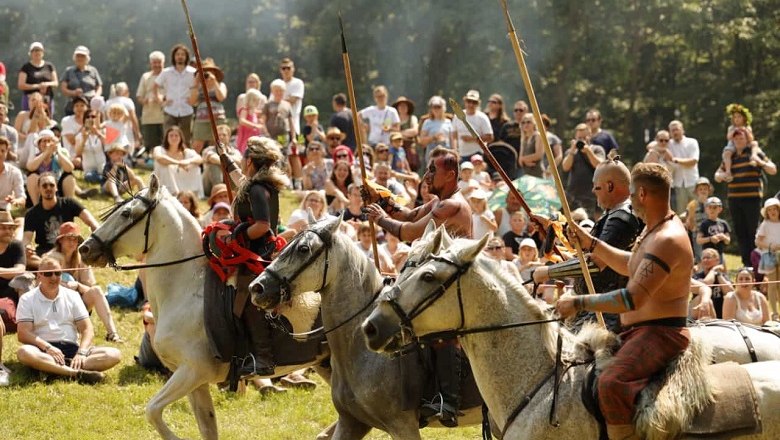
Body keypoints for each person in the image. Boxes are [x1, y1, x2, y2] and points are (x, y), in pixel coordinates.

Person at [556, 162, 692, 440]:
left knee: (611, 383)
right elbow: (631, 264)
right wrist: (591, 243)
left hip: (661, 334)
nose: (628, 199)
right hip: (640, 332)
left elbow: (631, 298)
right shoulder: (655, 229)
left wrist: (579, 302)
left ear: (642, 193)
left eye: (631, 194)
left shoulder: (668, 238)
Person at [365, 146, 471, 425]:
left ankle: (447, 401)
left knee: (441, 330)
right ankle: (420, 395)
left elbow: (410, 232)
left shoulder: (452, 205)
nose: (426, 176)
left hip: (457, 286)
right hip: (437, 281)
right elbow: (408, 215)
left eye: (432, 171)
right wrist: (382, 200)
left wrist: (380, 219)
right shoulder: (440, 201)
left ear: (450, 175)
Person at [537, 157, 643, 333]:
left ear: (610, 186)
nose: (593, 191)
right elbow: (585, 254)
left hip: (607, 315)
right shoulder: (613, 214)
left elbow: (595, 264)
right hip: (593, 308)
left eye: (597, 186)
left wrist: (548, 272)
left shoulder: (621, 218)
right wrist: (553, 229)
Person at [222, 136, 288, 378]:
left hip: (257, 255)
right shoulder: (258, 184)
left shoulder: (258, 189)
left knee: (248, 298)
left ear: (250, 161)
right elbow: (240, 180)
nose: (241, 161)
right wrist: (225, 157)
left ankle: (264, 357)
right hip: (253, 250)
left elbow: (262, 225)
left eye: (242, 158)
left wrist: (236, 235)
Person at [15, 257, 121, 383]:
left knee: (114, 354)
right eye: (48, 274)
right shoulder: (27, 299)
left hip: (72, 349)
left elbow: (87, 329)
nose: (54, 277)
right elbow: (23, 334)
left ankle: (54, 369)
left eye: (58, 273)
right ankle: (75, 373)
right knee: (23, 352)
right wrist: (48, 348)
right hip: (43, 349)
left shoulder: (73, 296)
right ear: (39, 276)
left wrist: (81, 352)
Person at [44, 222, 122, 342]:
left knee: (97, 291)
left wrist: (77, 285)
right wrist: (64, 286)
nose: (72, 243)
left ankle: (112, 333)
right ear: (60, 241)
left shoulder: (82, 258)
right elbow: (45, 286)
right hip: (55, 306)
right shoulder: (50, 258)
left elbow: (89, 287)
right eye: (68, 239)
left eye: (75, 239)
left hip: (79, 303)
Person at [717, 127, 776, 267]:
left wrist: (759, 162)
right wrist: (723, 175)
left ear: (747, 139)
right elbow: (717, 175)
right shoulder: (729, 157)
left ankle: (756, 262)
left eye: (741, 138)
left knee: (752, 231)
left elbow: (773, 169)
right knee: (740, 231)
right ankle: (746, 263)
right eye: (736, 139)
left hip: (752, 199)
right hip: (734, 199)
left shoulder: (754, 153)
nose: (738, 141)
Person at [23, 172, 99, 268]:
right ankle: (54, 266)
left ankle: (50, 267)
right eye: (44, 185)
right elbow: (26, 238)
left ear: (56, 188)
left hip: (68, 250)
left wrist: (98, 240)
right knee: (25, 258)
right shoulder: (31, 213)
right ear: (39, 189)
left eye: (51, 185)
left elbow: (91, 222)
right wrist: (27, 247)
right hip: (44, 253)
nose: (48, 188)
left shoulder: (69, 203)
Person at [154, 44, 196, 145]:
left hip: (186, 110)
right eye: (178, 54)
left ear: (186, 57)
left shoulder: (193, 72)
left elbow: (198, 88)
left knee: (186, 139)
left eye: (182, 54)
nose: (180, 56)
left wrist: (194, 100)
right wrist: (160, 100)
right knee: (168, 137)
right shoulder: (166, 72)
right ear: (174, 56)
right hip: (170, 110)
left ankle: (185, 159)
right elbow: (155, 86)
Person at [561, 123, 605, 216]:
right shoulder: (571, 152)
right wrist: (572, 151)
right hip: (573, 194)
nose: (581, 140)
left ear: (589, 136)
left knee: (589, 223)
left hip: (591, 194)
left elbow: (600, 166)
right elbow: (565, 167)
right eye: (579, 138)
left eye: (584, 138)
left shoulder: (597, 149)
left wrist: (588, 151)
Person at [152, 126, 204, 198]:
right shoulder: (159, 149)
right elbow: (159, 158)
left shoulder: (186, 152)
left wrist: (187, 161)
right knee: (164, 166)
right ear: (167, 138)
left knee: (195, 166)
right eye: (171, 136)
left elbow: (200, 159)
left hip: (182, 180)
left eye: (176, 136)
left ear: (180, 138)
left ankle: (191, 193)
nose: (174, 138)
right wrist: (178, 163)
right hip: (164, 182)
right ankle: (173, 193)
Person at [189, 58, 227, 154]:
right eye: (204, 71)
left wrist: (214, 82)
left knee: (217, 144)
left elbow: (221, 97)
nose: (207, 73)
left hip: (218, 119)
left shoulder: (220, 84)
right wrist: (196, 83)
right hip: (201, 119)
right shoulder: (199, 87)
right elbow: (192, 101)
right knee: (197, 144)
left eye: (210, 71)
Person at [136, 50, 166, 157]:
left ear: (163, 63)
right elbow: (139, 96)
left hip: (165, 115)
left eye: (159, 62)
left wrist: (163, 98)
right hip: (149, 116)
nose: (157, 65)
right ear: (151, 63)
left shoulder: (168, 75)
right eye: (154, 62)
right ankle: (152, 163)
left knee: (166, 141)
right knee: (150, 142)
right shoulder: (145, 77)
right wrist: (146, 101)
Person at [666, 120, 700, 215]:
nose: (675, 132)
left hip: (693, 182)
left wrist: (675, 160)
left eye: (677, 129)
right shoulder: (668, 144)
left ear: (682, 130)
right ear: (670, 132)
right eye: (672, 130)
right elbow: (651, 146)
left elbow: (693, 161)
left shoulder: (692, 142)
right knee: (681, 214)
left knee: (696, 212)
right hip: (678, 184)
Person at [59, 46, 103, 116]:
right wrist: (73, 92)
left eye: (82, 56)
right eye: (78, 56)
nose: (80, 58)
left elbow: (99, 86)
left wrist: (96, 96)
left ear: (87, 58)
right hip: (73, 106)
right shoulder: (69, 71)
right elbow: (63, 89)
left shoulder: (93, 70)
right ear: (74, 58)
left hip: (90, 105)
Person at [755, 197, 780, 320]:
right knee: (772, 284)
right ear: (766, 212)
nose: (773, 212)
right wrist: (770, 246)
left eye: (775, 209)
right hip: (769, 255)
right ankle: (774, 312)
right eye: (769, 210)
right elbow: (758, 241)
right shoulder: (765, 224)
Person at [451, 90, 493, 162]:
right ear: (465, 101)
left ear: (478, 104)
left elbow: (490, 137)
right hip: (461, 155)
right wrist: (455, 151)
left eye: (474, 102)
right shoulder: (457, 116)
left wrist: (472, 139)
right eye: (469, 101)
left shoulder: (482, 117)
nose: (471, 104)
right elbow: (453, 136)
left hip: (477, 154)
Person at [17, 42, 58, 114]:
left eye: (39, 50)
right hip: (30, 99)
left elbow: (55, 83)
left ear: (43, 52)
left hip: (47, 99)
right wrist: (38, 86)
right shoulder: (26, 67)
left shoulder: (49, 66)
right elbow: (21, 85)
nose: (36, 52)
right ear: (30, 53)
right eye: (34, 50)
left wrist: (46, 84)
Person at [201, 124, 241, 198]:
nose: (221, 137)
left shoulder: (235, 151)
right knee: (213, 165)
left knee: (235, 168)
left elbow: (239, 161)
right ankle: (218, 192)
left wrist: (225, 160)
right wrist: (229, 162)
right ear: (215, 137)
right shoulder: (208, 150)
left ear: (229, 137)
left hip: (230, 185)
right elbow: (212, 158)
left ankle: (234, 193)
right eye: (219, 135)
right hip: (209, 186)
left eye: (224, 135)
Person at [692, 248, 733, 318]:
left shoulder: (722, 276)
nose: (705, 260)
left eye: (708, 257)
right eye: (703, 258)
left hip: (720, 314)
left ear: (717, 261)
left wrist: (718, 275)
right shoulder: (697, 276)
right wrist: (713, 270)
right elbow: (706, 285)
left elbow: (730, 292)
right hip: (700, 315)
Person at [721, 103, 756, 181]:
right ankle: (728, 171)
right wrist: (734, 131)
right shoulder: (731, 128)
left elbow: (751, 139)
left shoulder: (747, 127)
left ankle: (753, 157)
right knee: (727, 153)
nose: (737, 119)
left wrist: (745, 131)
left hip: (745, 144)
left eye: (739, 117)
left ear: (744, 118)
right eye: (735, 117)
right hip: (733, 145)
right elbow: (729, 137)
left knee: (755, 144)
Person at [418, 95, 454, 165]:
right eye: (434, 107)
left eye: (439, 107)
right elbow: (421, 141)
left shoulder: (449, 122)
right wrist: (434, 137)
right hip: (432, 154)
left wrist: (454, 153)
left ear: (444, 108)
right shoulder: (427, 122)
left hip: (446, 153)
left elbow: (452, 141)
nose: (436, 109)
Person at [684, 177, 713, 262]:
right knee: (700, 255)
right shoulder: (692, 204)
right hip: (698, 233)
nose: (703, 191)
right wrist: (693, 229)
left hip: (710, 232)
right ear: (696, 191)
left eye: (705, 189)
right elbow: (690, 219)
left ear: (709, 190)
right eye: (700, 189)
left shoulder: (712, 203)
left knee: (711, 254)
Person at [695, 196, 731, 264]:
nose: (712, 210)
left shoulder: (723, 223)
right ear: (706, 209)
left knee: (721, 272)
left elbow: (728, 241)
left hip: (719, 254)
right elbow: (698, 240)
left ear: (720, 209)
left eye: (715, 207)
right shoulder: (704, 224)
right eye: (710, 207)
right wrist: (710, 239)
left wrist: (723, 237)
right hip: (707, 255)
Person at [277, 58, 304, 136]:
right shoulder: (277, 84)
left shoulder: (298, 83)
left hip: (293, 127)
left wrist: (278, 102)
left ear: (293, 69)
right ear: (280, 70)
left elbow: (292, 100)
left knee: (296, 147)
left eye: (288, 68)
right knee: (280, 147)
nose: (286, 70)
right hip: (278, 129)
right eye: (283, 68)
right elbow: (270, 103)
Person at [0, 136, 26, 211]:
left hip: (7, 211)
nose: (0, 154)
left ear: (7, 152)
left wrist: (15, 201)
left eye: (3, 151)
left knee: (20, 219)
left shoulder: (15, 172)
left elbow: (22, 198)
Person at [236, 89, 266, 154]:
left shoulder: (254, 111)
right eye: (256, 100)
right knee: (245, 152)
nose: (258, 102)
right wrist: (255, 126)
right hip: (246, 136)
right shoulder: (245, 109)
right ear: (251, 100)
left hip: (254, 136)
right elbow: (242, 121)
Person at [517, 113, 544, 178]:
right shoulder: (523, 138)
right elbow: (520, 161)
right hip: (526, 174)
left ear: (534, 123)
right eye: (523, 123)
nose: (525, 124)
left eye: (528, 122)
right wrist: (525, 161)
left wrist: (523, 159)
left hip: (537, 173)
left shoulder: (538, 136)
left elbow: (538, 155)